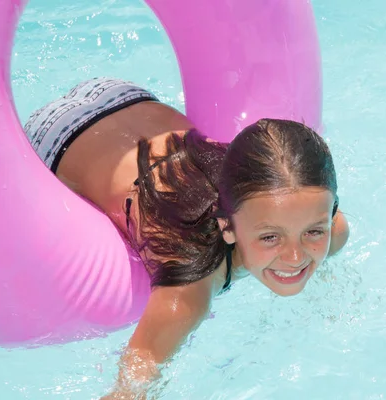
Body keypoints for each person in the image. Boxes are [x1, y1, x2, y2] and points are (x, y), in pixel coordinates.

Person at [24, 77, 350, 398]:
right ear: (228, 227)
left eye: (312, 231)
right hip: (56, 138)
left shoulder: (332, 232)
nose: (295, 257)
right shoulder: (188, 293)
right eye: (269, 237)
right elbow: (127, 392)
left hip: (125, 95)